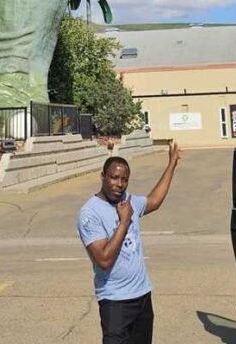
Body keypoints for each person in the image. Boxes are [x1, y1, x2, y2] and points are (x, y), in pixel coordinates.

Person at [77, 141, 181, 344]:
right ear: (103, 177)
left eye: (124, 179)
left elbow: (154, 200)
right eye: (114, 177)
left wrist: (171, 165)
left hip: (142, 295)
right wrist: (124, 221)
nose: (119, 184)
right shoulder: (89, 213)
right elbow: (104, 260)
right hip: (115, 301)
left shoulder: (128, 200)